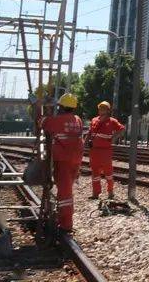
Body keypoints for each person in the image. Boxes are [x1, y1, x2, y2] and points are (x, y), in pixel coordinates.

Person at [40, 93, 83, 231]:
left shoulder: (58, 121)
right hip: (75, 160)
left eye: (59, 106)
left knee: (65, 193)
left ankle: (66, 224)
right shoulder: (77, 120)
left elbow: (42, 122)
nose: (57, 109)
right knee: (66, 189)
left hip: (63, 160)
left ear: (63, 107)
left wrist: (41, 107)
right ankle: (61, 218)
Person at [87, 101, 125, 200]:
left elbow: (122, 129)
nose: (101, 110)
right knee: (95, 173)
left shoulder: (112, 121)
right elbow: (89, 133)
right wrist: (84, 143)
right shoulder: (94, 120)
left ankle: (110, 192)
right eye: (100, 108)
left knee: (108, 173)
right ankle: (96, 193)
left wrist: (114, 138)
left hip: (105, 151)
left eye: (103, 108)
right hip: (94, 151)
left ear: (108, 110)